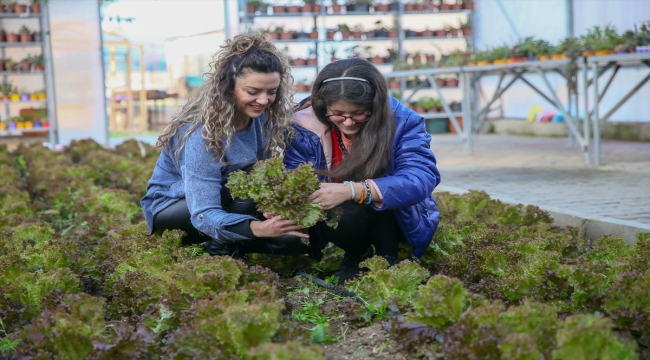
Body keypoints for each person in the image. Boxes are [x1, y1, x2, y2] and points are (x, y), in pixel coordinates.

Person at [141, 32, 312, 258]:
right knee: (247, 180)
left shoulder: (260, 118)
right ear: (229, 88)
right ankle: (218, 250)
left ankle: (231, 242)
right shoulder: (202, 134)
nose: (263, 100)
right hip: (177, 210)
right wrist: (259, 228)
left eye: (271, 92)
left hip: (229, 202)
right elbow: (203, 211)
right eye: (253, 92)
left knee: (289, 241)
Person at [283, 58, 441, 283]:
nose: (347, 122)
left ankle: (388, 257)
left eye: (359, 113)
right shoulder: (304, 127)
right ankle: (358, 254)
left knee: (384, 182)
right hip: (343, 218)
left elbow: (420, 178)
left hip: (391, 218)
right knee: (330, 210)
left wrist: (353, 190)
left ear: (375, 106)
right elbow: (293, 174)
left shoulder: (403, 121)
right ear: (322, 106)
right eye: (337, 113)